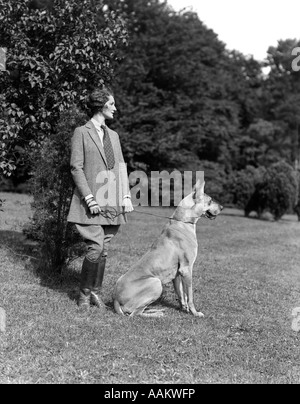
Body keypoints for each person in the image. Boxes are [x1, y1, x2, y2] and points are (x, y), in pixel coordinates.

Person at [67, 86, 134, 311]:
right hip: (90, 203)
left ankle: (95, 292)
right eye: (112, 104)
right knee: (95, 247)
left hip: (112, 200)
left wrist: (125, 194)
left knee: (103, 249)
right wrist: (89, 198)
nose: (115, 108)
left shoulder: (113, 135)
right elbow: (76, 168)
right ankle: (84, 295)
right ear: (101, 106)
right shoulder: (81, 132)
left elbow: (121, 166)